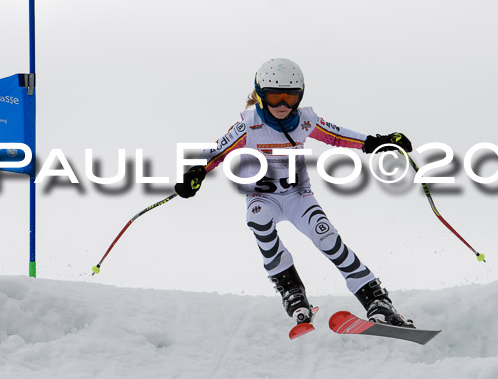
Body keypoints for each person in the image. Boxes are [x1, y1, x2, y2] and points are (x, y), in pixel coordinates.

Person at [174, 58, 415, 328]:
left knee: (327, 237)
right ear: (261, 96)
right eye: (275, 97)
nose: (282, 106)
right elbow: (215, 152)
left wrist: (377, 142)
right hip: (262, 197)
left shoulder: (304, 120)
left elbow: (337, 135)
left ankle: (376, 300)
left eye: (290, 98)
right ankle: (292, 291)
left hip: (297, 197)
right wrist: (196, 173)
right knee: (259, 220)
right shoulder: (248, 126)